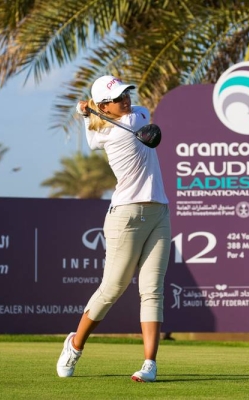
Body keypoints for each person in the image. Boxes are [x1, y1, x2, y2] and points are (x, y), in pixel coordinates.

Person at [56, 75, 171, 383]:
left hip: (159, 211)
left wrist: (87, 115)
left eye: (126, 93)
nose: (126, 99)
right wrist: (88, 115)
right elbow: (96, 138)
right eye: (118, 97)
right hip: (126, 216)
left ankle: (149, 363)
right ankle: (75, 344)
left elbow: (99, 133)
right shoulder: (114, 130)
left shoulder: (135, 116)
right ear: (105, 105)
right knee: (112, 288)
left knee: (153, 290)